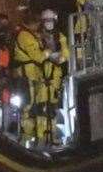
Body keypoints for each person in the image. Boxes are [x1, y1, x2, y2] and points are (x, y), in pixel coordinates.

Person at [12, 8, 69, 146]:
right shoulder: (30, 36)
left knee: (50, 106)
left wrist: (59, 57)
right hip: (35, 75)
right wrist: (49, 53)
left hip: (50, 76)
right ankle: (33, 136)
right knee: (34, 106)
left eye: (51, 20)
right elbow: (38, 56)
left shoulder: (59, 36)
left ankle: (49, 134)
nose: (47, 24)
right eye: (44, 21)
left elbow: (65, 54)